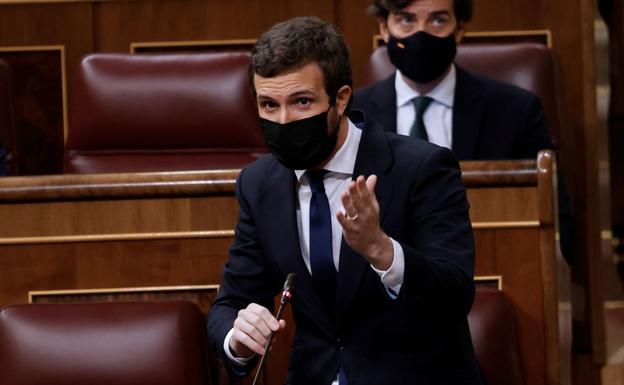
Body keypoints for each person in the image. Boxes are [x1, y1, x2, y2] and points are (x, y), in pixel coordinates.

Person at [207, 16, 483, 385]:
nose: (284, 120)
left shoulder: (421, 168)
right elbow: (230, 303)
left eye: (302, 102)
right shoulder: (260, 184)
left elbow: (455, 295)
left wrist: (382, 251)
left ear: (340, 99)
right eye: (269, 105)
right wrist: (238, 338)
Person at [352, 0, 575, 264]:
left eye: (438, 20)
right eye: (406, 20)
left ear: (459, 29)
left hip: (492, 267)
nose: (421, 34)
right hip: (384, 280)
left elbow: (557, 220)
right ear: (384, 28)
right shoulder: (355, 116)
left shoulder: (515, 110)